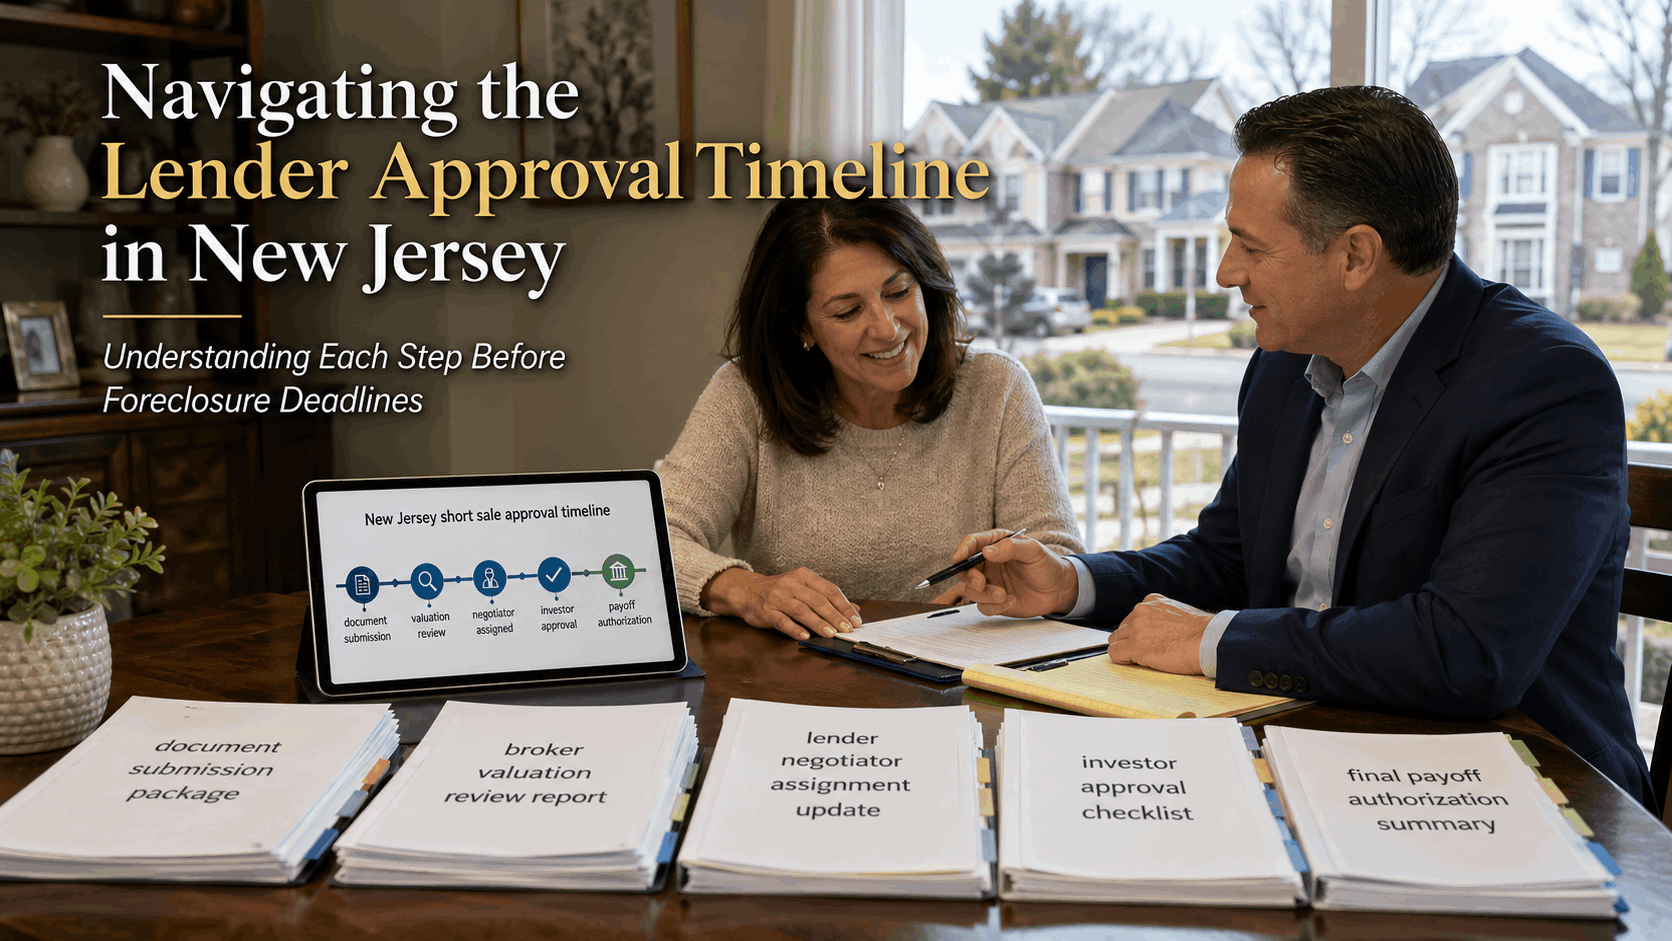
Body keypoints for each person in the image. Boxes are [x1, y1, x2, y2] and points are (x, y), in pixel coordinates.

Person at [950, 85, 1655, 805]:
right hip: (1297, 752)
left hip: (1518, 783)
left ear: (1355, 255)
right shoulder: (1285, 362)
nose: (1225, 271)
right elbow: (1227, 558)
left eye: (1250, 247)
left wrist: (1212, 642)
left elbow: (1468, 651)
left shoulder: (1545, 382)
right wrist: (1074, 584)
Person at [660, 198, 1083, 641]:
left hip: (960, 674)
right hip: (801, 681)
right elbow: (653, 541)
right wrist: (748, 590)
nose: (886, 328)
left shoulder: (997, 386)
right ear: (800, 327)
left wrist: (1009, 589)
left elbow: (1058, 558)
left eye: (898, 292)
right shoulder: (745, 395)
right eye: (848, 311)